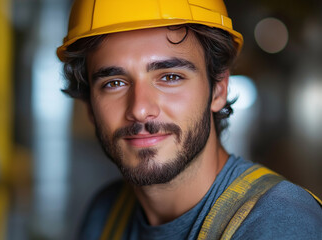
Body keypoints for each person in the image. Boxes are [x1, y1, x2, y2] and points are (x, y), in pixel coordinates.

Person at [56, 0, 322, 239]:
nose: (139, 109)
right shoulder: (104, 215)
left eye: (170, 77)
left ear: (219, 89)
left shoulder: (280, 224)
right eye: (114, 83)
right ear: (89, 105)